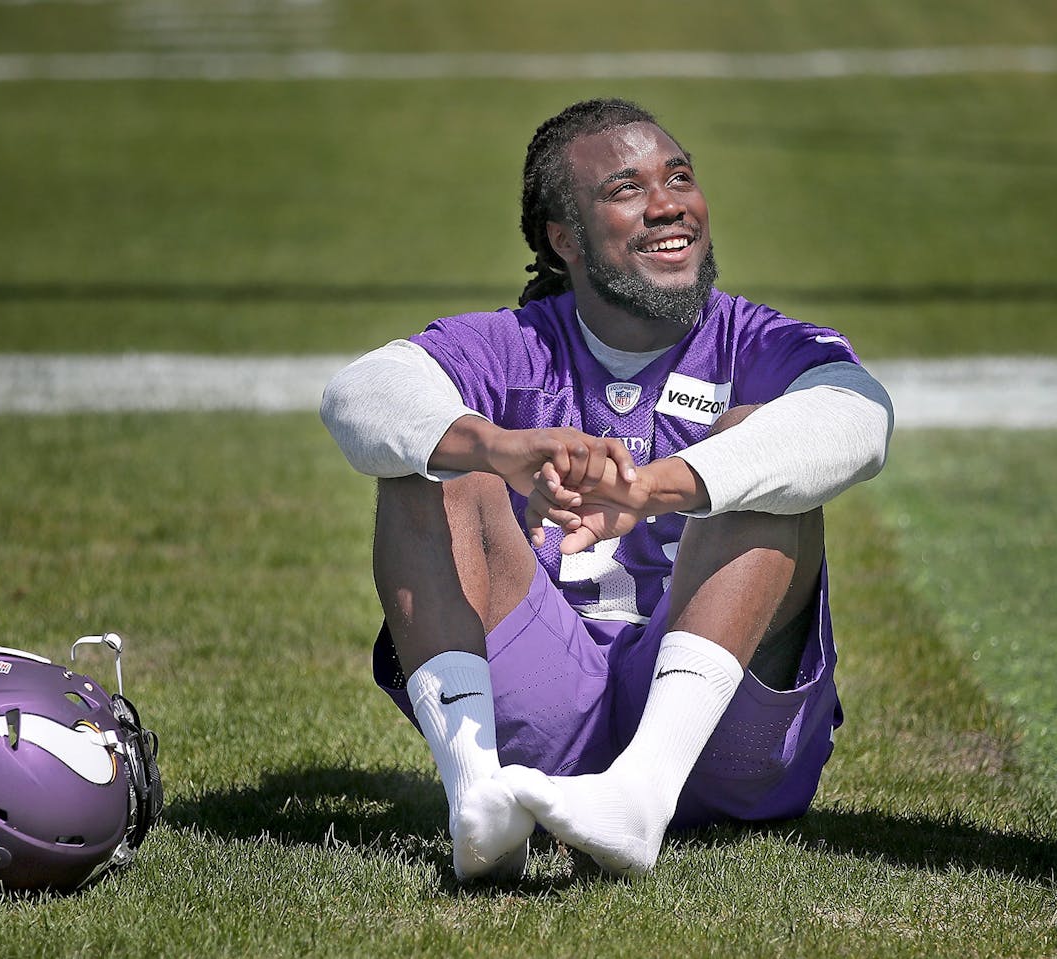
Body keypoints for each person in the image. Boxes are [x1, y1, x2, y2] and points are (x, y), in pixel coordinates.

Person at [319, 98, 893, 882]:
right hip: (550, 720)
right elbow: (360, 393)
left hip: (720, 746)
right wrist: (498, 447)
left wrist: (670, 483)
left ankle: (641, 796)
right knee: (431, 454)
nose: (668, 205)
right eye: (627, 188)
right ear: (565, 240)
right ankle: (479, 801)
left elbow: (859, 420)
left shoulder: (758, 340)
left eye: (680, 177)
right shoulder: (514, 345)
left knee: (760, 451)